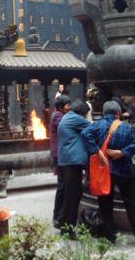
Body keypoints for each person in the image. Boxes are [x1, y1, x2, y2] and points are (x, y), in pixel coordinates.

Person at [81, 101, 135, 246]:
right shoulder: (126, 127)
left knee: (105, 204)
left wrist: (96, 151)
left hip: (103, 171)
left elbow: (84, 134)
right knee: (132, 203)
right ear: (119, 113)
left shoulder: (96, 125)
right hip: (124, 170)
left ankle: (109, 237)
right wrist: (123, 152)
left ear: (104, 112)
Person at [56, 101, 91, 238]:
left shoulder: (68, 117)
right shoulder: (76, 119)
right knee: (73, 196)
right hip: (71, 162)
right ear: (83, 113)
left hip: (67, 161)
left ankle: (62, 222)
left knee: (70, 194)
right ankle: (68, 229)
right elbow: (95, 127)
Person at [50, 95, 71, 227]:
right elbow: (66, 124)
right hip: (59, 154)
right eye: (67, 105)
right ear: (60, 107)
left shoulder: (60, 114)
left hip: (61, 153)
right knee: (62, 186)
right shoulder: (58, 116)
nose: (69, 107)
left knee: (63, 185)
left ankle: (60, 214)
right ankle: (57, 216)